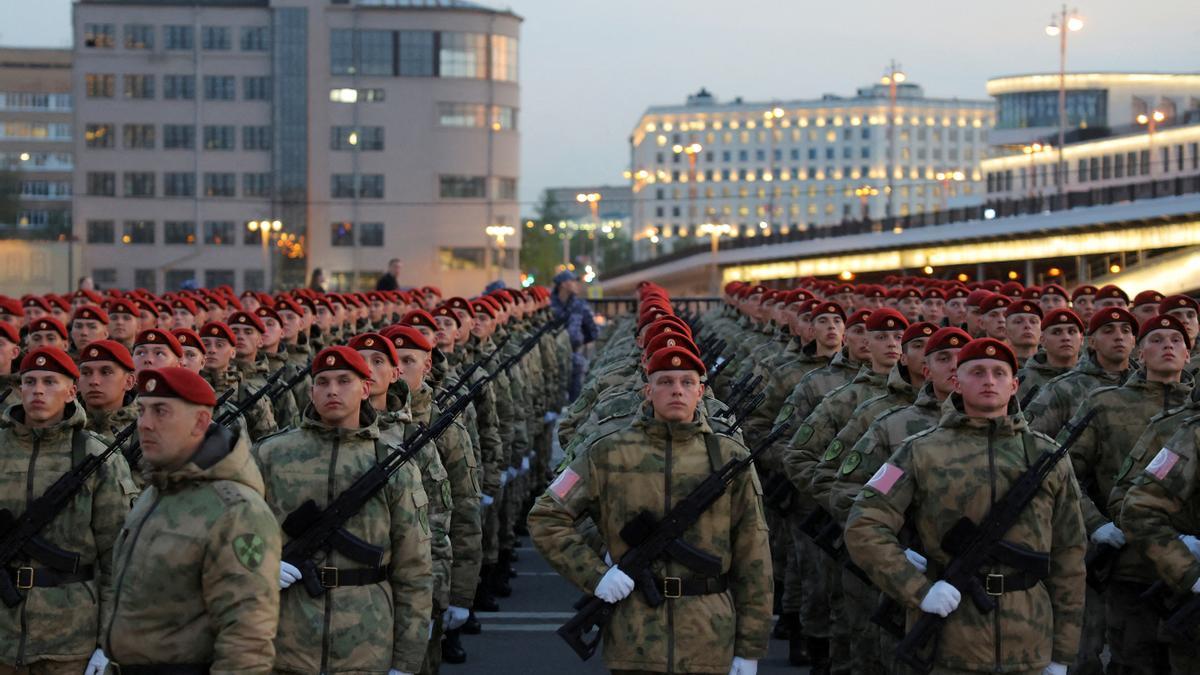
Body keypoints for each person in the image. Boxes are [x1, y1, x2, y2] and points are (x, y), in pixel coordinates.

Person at [845, 337, 1087, 675]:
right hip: (950, 639)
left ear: (1015, 385)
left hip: (1030, 640)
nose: (989, 380)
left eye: (999, 373)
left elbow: (1070, 556)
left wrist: (1062, 654)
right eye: (977, 372)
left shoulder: (1047, 456)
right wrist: (919, 591)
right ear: (956, 382)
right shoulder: (920, 450)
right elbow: (864, 524)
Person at [529, 345, 772, 675]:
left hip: (709, 635)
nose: (677, 390)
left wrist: (750, 648)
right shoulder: (608, 451)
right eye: (666, 381)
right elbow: (546, 516)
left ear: (701, 391)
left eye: (687, 382)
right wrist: (597, 576)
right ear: (648, 389)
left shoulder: (729, 456)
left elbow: (753, 555)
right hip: (636, 634)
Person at [254, 346, 433, 675]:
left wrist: (406, 662)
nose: (332, 390)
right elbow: (234, 533)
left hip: (366, 640)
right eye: (322, 382)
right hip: (285, 640)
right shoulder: (271, 455)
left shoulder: (392, 464)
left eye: (344, 381)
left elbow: (415, 569)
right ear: (311, 391)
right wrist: (261, 564)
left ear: (365, 388)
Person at [98, 367, 281, 673]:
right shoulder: (156, 492)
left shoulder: (236, 511)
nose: (144, 424)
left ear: (200, 422)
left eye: (161, 412)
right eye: (141, 411)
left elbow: (247, 643)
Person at [0, 347, 137, 675]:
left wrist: (107, 643)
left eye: (50, 381)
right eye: (30, 382)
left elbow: (116, 558)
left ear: (70, 391)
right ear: (19, 390)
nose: (38, 390)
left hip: (70, 637)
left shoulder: (96, 457)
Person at [551, 269, 598, 403]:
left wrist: (579, 341)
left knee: (576, 399)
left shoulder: (580, 305)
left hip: (574, 357)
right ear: (563, 284)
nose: (575, 284)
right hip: (553, 359)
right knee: (553, 401)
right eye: (572, 281)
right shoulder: (549, 305)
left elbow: (592, 331)